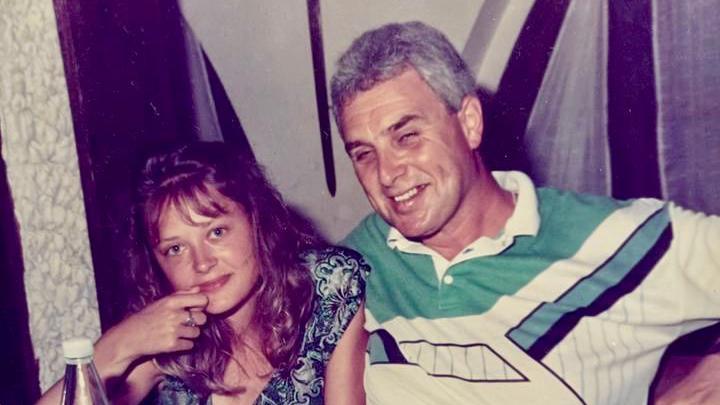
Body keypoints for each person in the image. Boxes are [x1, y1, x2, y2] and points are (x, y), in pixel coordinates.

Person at [330, 21, 720, 404]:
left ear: (469, 123)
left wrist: (709, 378)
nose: (386, 174)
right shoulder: (350, 268)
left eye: (407, 136)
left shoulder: (609, 240)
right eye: (364, 154)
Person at [37, 141, 369, 404]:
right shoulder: (164, 340)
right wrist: (118, 345)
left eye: (216, 232)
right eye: (175, 249)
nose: (201, 263)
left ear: (257, 222)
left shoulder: (329, 286)